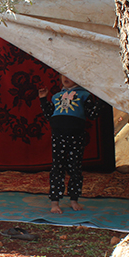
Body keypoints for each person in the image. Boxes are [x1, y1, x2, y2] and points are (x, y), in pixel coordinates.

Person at [39, 74, 101, 214]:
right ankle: (55, 202)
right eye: (63, 75)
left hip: (76, 135)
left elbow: (92, 114)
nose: (66, 78)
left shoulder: (85, 95)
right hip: (58, 135)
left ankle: (74, 199)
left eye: (71, 75)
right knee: (57, 167)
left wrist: (102, 101)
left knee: (75, 167)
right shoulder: (56, 97)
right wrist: (43, 99)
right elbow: (49, 114)